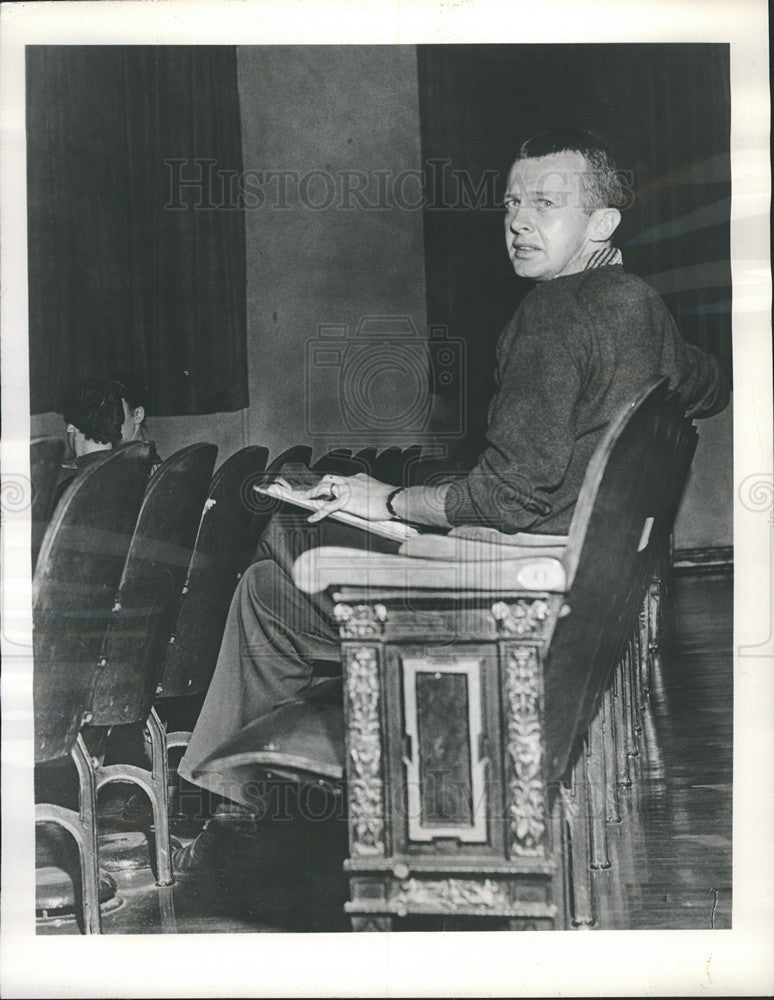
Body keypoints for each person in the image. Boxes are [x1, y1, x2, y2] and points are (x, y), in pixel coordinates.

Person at [176, 129, 730, 842]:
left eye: (545, 203)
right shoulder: (640, 305)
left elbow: (508, 496)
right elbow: (707, 384)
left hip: (515, 585)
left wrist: (388, 500)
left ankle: (217, 803)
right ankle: (225, 789)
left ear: (602, 223)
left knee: (269, 582)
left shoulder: (556, 312)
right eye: (510, 202)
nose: (519, 220)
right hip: (588, 579)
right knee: (296, 558)